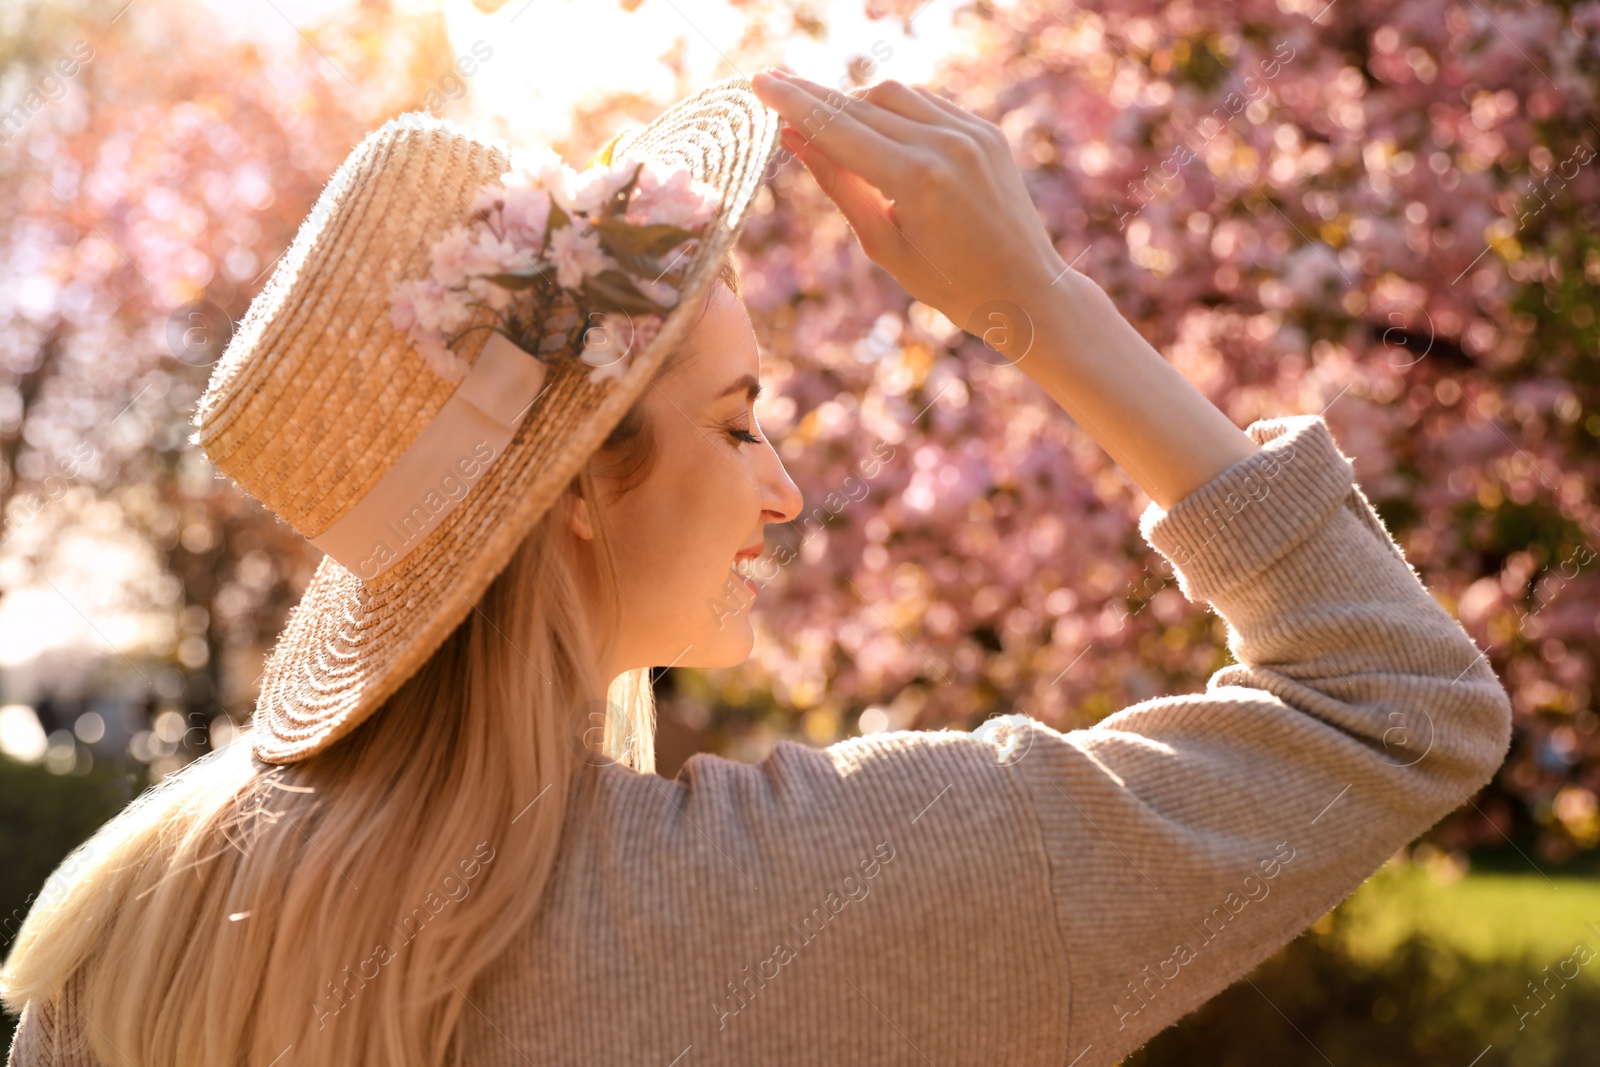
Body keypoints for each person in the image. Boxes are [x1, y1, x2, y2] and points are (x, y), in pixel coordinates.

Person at [1, 71, 1510, 1067]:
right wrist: (1040, 303)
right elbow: (1394, 700)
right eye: (740, 424)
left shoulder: (127, 938)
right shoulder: (813, 888)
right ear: (581, 487)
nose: (785, 491)